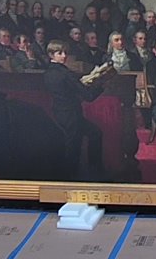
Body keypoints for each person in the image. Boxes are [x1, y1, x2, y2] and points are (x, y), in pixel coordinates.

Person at [43, 41, 109, 178]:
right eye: (60, 53)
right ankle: (82, 174)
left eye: (65, 53)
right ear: (51, 55)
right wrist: (101, 85)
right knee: (74, 147)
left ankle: (92, 169)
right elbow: (88, 96)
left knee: (94, 133)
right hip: (72, 115)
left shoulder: (48, 73)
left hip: (59, 112)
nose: (64, 56)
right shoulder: (65, 74)